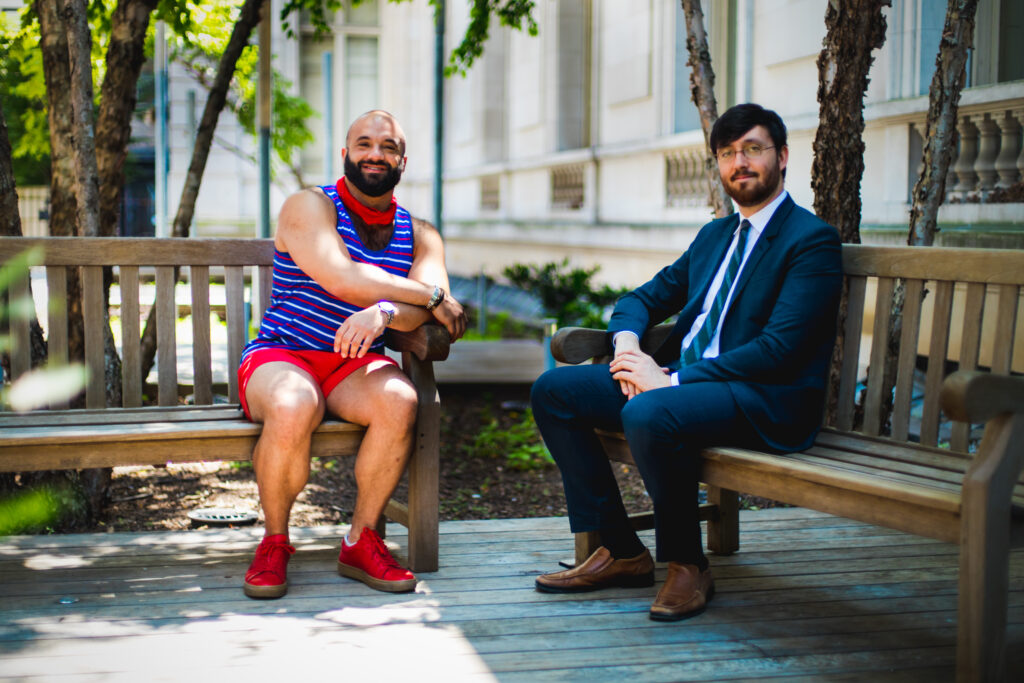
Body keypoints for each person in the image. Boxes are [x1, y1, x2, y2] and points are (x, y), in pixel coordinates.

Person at [530, 103, 842, 620]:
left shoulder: (810, 241)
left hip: (762, 397)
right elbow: (642, 298)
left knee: (649, 411)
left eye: (753, 150)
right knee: (555, 391)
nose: (739, 163)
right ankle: (623, 551)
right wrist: (629, 349)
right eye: (727, 153)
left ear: (782, 157)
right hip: (687, 386)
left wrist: (667, 378)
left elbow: (779, 350)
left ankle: (687, 564)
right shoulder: (715, 236)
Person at [238, 110, 467, 599]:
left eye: (388, 147)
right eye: (364, 144)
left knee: (400, 401)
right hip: (284, 354)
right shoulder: (309, 205)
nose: (375, 154)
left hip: (354, 364)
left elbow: (430, 315)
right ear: (345, 154)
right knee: (293, 404)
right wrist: (422, 297)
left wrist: (386, 311)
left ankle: (361, 540)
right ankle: (275, 541)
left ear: (403, 161)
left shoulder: (421, 234)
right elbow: (342, 276)